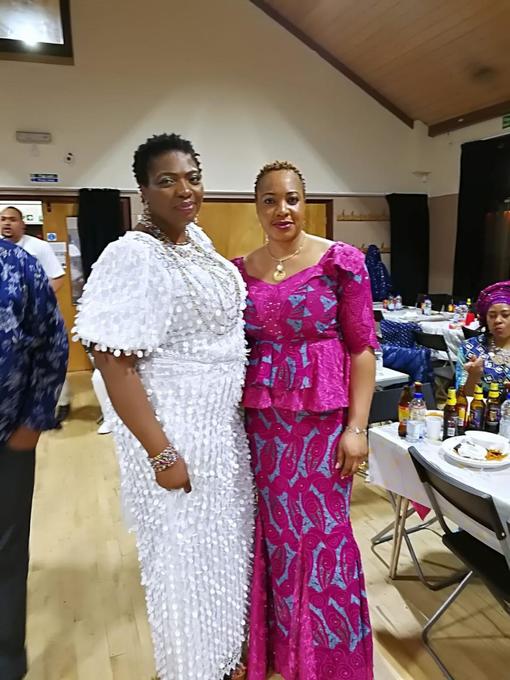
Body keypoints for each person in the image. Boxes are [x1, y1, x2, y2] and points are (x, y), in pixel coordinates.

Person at [74, 133, 253, 680]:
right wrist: (161, 453)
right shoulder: (132, 254)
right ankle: (192, 667)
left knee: (222, 550)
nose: (184, 190)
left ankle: (222, 656)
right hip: (174, 430)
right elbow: (113, 362)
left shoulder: (196, 241)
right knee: (182, 561)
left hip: (221, 430)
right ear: (144, 191)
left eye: (192, 178)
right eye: (167, 180)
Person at [233, 161, 377, 680]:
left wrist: (357, 428)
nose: (282, 209)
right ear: (257, 207)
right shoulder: (238, 270)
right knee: (276, 537)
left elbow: (363, 349)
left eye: (291, 198)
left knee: (323, 536)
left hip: (323, 428)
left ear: (305, 202)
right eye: (269, 200)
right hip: (264, 429)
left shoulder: (341, 262)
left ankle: (332, 663)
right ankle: (283, 654)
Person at [0, 240, 68, 680]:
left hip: (7, 439)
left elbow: (52, 343)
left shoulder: (16, 264)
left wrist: (33, 421)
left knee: (5, 552)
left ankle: (6, 657)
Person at [1, 206, 71, 422]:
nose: (6, 223)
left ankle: (60, 402)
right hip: (8, 320)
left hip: (38, 315)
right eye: (3, 219)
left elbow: (57, 277)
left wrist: (37, 301)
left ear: (22, 224)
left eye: (12, 219)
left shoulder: (38, 247)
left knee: (47, 357)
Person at [456, 280, 510, 395]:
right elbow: (462, 399)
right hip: (480, 406)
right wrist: (473, 376)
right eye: (492, 316)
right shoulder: (470, 348)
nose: (498, 320)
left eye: (505, 315)